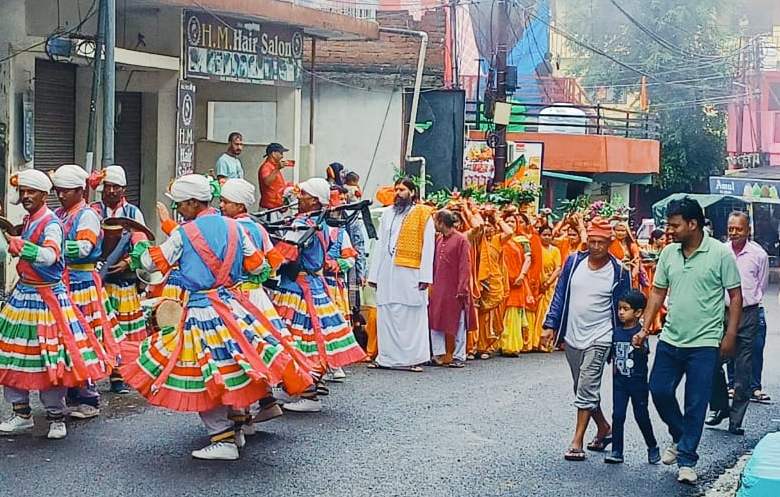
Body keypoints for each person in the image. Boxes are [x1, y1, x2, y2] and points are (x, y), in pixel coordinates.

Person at [124, 174, 313, 461]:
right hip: (234, 306)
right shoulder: (236, 229)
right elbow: (259, 267)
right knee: (236, 365)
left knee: (204, 373)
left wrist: (139, 244)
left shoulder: (184, 233)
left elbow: (151, 262)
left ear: (191, 202)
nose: (179, 211)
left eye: (180, 206)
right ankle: (239, 425)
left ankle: (222, 437)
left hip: (201, 310)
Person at [634, 197, 742, 485]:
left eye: (674, 225)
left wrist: (730, 335)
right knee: (658, 390)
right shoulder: (669, 253)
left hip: (705, 343)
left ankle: (687, 460)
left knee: (696, 403)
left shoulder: (720, 253)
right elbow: (657, 292)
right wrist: (644, 328)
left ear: (692, 224)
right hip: (671, 338)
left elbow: (735, 297)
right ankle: (680, 436)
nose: (669, 230)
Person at [0, 169, 108, 440]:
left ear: (42, 195)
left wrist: (22, 247)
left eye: (31, 192)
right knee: (15, 357)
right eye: (23, 192)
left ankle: (56, 417)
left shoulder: (51, 223)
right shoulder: (32, 219)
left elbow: (50, 256)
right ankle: (21, 413)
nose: (26, 196)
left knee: (51, 359)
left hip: (49, 299)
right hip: (24, 297)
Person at [270, 177, 365, 411]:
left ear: (314, 200)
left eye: (303, 195)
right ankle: (307, 387)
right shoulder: (319, 222)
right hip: (311, 284)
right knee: (311, 338)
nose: (298, 198)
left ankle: (309, 393)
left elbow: (286, 254)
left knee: (298, 339)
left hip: (299, 288)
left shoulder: (305, 223)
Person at [541, 217, 630, 462]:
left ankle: (577, 441)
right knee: (582, 388)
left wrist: (626, 340)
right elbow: (560, 294)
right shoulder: (573, 261)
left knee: (586, 387)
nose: (596, 246)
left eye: (601, 242)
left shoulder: (620, 271)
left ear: (610, 242)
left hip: (601, 335)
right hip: (572, 334)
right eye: (592, 241)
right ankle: (603, 427)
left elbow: (626, 308)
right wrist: (550, 324)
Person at [53, 164, 124, 418]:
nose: (61, 195)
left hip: (82, 283)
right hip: (63, 282)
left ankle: (88, 398)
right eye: (58, 190)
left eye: (66, 191)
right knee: (64, 339)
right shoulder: (59, 213)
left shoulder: (87, 216)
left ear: (80, 191)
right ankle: (69, 392)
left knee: (84, 338)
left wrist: (50, 247)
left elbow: (84, 248)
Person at [706, 211, 767, 435]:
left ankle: (736, 419)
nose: (734, 233)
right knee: (711, 362)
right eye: (731, 229)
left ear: (748, 230)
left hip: (748, 314)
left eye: (738, 229)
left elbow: (761, 285)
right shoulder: (721, 252)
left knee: (743, 370)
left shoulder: (758, 254)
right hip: (721, 313)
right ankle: (720, 406)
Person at [367, 177, 435, 372]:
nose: (398, 193)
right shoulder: (387, 214)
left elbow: (428, 247)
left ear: (412, 193)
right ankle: (386, 358)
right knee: (387, 312)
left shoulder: (424, 214)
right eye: (396, 189)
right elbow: (379, 246)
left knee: (411, 315)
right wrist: (374, 275)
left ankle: (413, 359)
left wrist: (425, 277)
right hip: (388, 272)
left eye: (402, 190)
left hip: (410, 272)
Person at [90, 165, 149, 349]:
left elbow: (142, 245)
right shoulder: (94, 211)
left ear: (123, 189)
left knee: (125, 333)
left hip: (124, 283)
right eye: (107, 186)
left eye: (116, 187)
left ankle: (121, 372)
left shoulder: (133, 213)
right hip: (98, 282)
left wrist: (128, 262)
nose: (111, 191)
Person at [604, 290, 660, 465]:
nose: (621, 312)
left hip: (638, 383)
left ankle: (652, 446)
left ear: (637, 312)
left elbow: (645, 352)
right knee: (618, 415)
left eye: (625, 309)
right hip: (619, 383)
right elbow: (610, 356)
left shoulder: (640, 333)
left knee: (641, 415)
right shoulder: (616, 332)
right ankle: (617, 451)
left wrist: (639, 345)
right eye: (619, 308)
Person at [429, 209, 474, 368]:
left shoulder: (461, 240)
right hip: (438, 289)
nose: (434, 224)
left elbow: (464, 266)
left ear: (441, 221)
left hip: (455, 289)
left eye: (435, 221)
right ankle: (438, 354)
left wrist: (462, 288)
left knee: (458, 322)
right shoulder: (439, 239)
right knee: (435, 320)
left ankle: (458, 356)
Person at [499, 213, 533, 356]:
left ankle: (511, 345)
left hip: (517, 281)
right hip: (502, 280)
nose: (511, 223)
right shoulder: (499, 239)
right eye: (508, 221)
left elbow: (528, 259)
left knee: (513, 312)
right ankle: (499, 343)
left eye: (513, 221)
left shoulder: (522, 240)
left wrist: (521, 275)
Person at [535, 224, 562, 352]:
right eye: (544, 235)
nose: (546, 237)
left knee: (547, 312)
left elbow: (558, 268)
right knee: (536, 313)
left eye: (549, 235)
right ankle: (534, 341)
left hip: (550, 285)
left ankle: (545, 343)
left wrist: (548, 282)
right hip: (536, 284)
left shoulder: (555, 250)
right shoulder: (536, 249)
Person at [258, 142, 291, 210]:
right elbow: (267, 182)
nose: (282, 156)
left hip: (276, 207)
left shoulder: (274, 166)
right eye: (281, 153)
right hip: (269, 209)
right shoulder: (266, 167)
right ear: (273, 154)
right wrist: (277, 169)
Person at [610, 220, 642, 289]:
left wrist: (633, 274)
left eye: (623, 231)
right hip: (615, 273)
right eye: (618, 230)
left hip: (629, 272)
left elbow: (637, 261)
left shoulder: (632, 245)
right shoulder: (612, 244)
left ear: (627, 232)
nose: (620, 233)